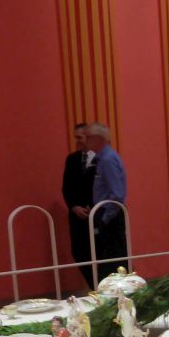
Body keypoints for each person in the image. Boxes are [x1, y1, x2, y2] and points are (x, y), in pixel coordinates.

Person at [86, 122, 128, 275]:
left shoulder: (108, 159)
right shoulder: (103, 158)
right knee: (107, 257)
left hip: (110, 216)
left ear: (98, 138)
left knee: (113, 259)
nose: (86, 140)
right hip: (105, 212)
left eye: (89, 137)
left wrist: (104, 219)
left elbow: (117, 194)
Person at [61, 123, 97, 288]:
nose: (76, 141)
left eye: (79, 137)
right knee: (80, 253)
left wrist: (94, 206)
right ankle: (94, 287)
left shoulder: (102, 158)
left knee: (103, 255)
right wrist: (73, 206)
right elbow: (66, 187)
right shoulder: (72, 159)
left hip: (97, 215)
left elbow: (107, 187)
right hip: (77, 217)